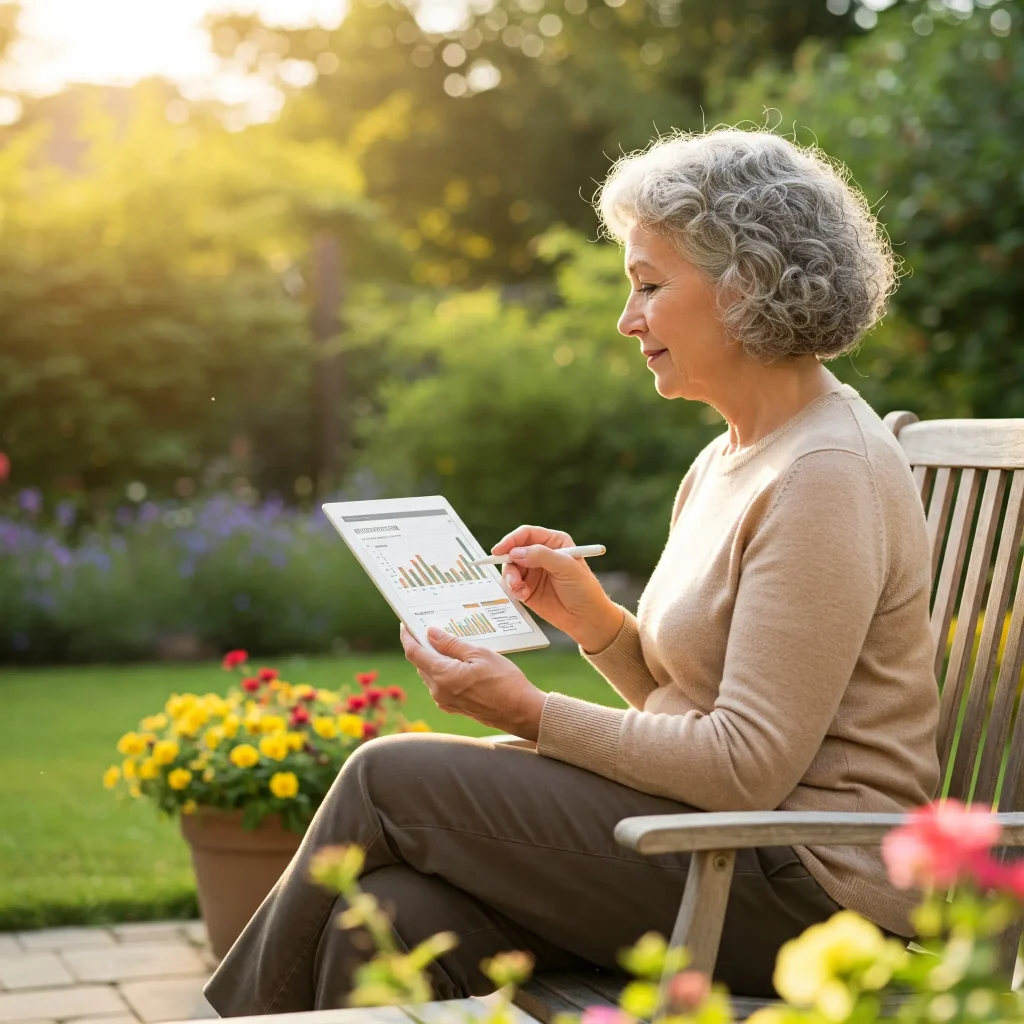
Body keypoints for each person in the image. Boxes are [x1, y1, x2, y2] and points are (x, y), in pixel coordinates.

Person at [204, 128, 940, 1015]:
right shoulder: (729, 457)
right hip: (722, 846)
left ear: (746, 283)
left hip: (812, 891)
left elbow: (744, 767)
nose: (628, 320)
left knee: (386, 778)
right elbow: (698, 707)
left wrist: (529, 711)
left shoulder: (826, 472)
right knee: (393, 917)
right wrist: (597, 624)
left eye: (649, 286)